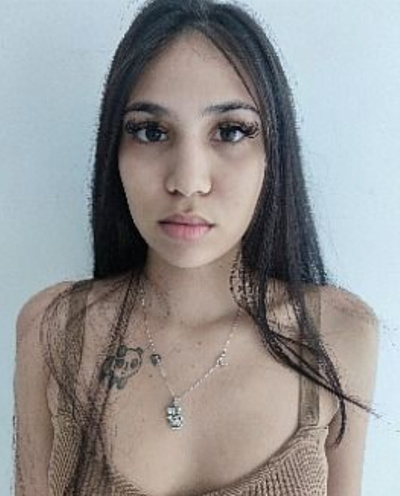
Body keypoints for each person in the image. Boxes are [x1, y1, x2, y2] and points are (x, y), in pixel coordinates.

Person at [13, 0, 380, 495]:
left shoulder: (337, 332)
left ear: (273, 152)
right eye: (151, 132)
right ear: (114, 149)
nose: (188, 181)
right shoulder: (54, 327)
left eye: (230, 131)